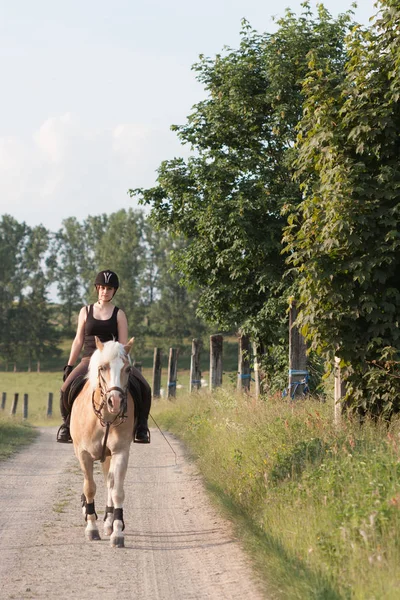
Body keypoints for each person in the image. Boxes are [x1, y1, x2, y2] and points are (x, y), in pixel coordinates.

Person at [56, 269, 151, 444]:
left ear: (114, 291)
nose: (105, 291)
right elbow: (78, 340)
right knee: (65, 388)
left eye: (109, 288)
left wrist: (123, 365)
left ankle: (141, 428)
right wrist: (69, 365)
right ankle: (67, 425)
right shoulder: (85, 311)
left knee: (144, 387)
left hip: (113, 360)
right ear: (97, 288)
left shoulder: (119, 314)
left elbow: (123, 345)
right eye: (102, 287)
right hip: (88, 360)